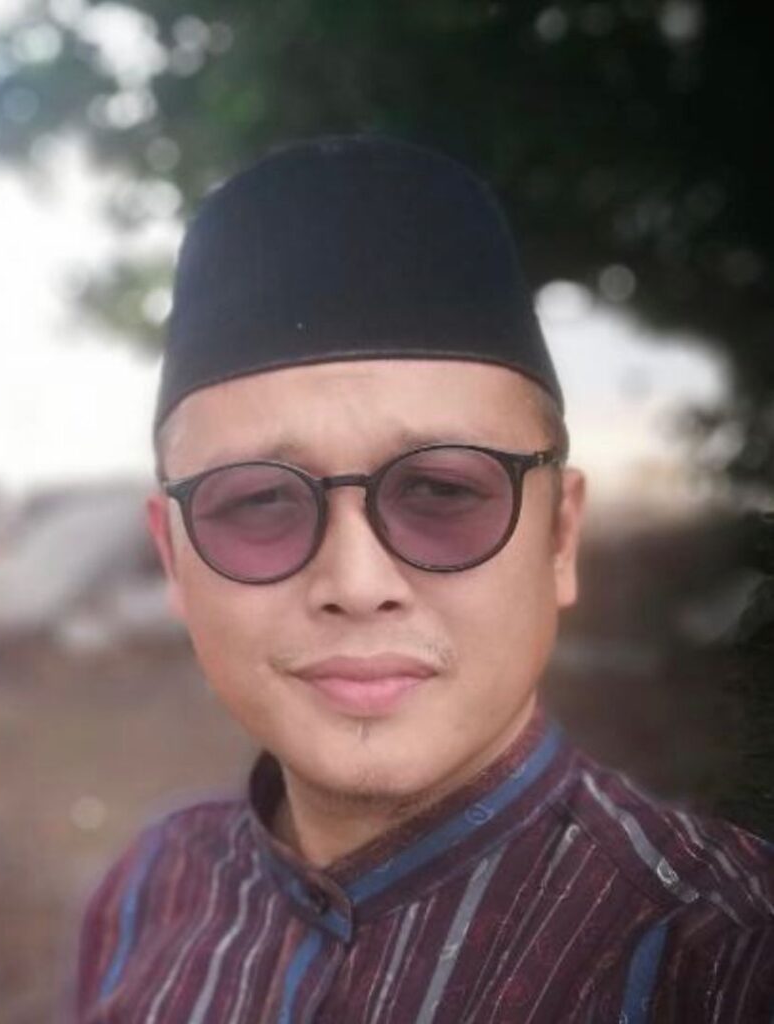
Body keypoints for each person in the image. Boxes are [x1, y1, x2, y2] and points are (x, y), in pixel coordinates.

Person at [74, 136, 774, 1023]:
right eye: (258, 502)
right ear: (174, 559)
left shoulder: (724, 960)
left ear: (559, 536)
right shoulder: (155, 887)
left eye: (442, 491)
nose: (356, 581)